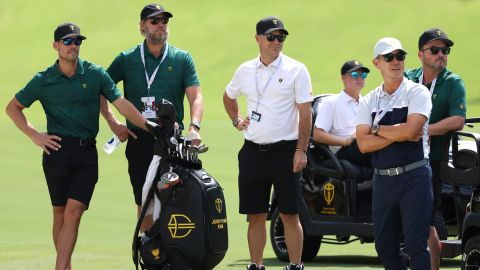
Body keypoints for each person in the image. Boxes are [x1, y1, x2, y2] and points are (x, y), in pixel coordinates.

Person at [5, 23, 149, 270]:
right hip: (56, 151)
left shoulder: (95, 74)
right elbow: (13, 107)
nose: (73, 46)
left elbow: (120, 102)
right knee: (60, 213)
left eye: (77, 41)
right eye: (67, 41)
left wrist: (148, 126)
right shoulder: (43, 79)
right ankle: (66, 265)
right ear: (56, 46)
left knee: (75, 210)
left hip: (85, 152)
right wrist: (34, 135)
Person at [100, 3, 203, 231]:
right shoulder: (127, 59)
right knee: (144, 200)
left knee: (174, 198)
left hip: (172, 142)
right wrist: (113, 122)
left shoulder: (181, 58)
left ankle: (174, 254)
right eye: (154, 21)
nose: (160, 25)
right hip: (140, 140)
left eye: (164, 20)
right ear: (142, 26)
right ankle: (151, 253)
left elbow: (196, 97)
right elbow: (101, 90)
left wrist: (195, 126)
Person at [223, 16, 313, 270]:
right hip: (252, 151)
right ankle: (256, 265)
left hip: (286, 151)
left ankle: (295, 266)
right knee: (255, 216)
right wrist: (236, 120)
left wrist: (301, 150)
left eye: (281, 37)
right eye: (271, 37)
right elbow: (228, 97)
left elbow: (306, 113)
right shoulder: (245, 70)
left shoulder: (296, 69)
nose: (276, 42)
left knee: (289, 213)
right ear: (258, 39)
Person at [356, 37, 433, 269]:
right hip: (383, 181)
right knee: (384, 247)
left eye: (400, 56)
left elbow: (412, 130)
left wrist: (376, 129)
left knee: (415, 245)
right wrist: (398, 134)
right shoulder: (369, 100)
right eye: (389, 57)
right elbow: (362, 144)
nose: (396, 61)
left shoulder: (417, 92)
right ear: (377, 62)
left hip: (414, 177)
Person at [405, 28, 466, 270]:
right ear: (421, 55)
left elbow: (458, 120)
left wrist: (423, 130)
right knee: (406, 220)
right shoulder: (409, 78)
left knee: (426, 220)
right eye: (435, 50)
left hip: (431, 162)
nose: (441, 54)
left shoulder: (453, 83)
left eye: (445, 50)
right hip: (402, 158)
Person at [313, 60, 371, 167]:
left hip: (363, 145)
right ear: (343, 78)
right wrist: (347, 141)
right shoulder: (331, 102)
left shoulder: (367, 103)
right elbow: (317, 135)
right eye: (354, 74)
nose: (359, 78)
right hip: (344, 150)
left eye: (363, 75)